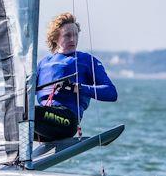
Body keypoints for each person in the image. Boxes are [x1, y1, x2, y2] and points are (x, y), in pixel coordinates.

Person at [34, 12, 118, 141]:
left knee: (32, 113)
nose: (73, 39)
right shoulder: (43, 63)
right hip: (42, 126)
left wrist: (76, 88)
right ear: (55, 38)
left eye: (75, 35)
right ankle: (12, 158)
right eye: (67, 35)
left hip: (67, 121)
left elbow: (111, 93)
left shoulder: (86, 60)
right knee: (11, 117)